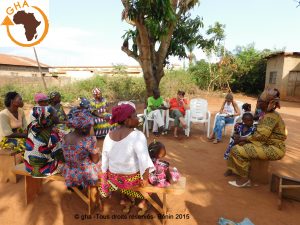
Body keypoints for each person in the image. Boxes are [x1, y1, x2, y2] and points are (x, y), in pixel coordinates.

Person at [100, 103, 155, 215]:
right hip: (130, 180)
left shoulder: (108, 135)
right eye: (135, 116)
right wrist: (145, 179)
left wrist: (104, 177)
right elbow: (144, 161)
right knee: (155, 177)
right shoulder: (138, 136)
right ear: (126, 120)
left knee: (123, 176)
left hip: (114, 179)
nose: (138, 119)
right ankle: (143, 203)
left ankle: (126, 200)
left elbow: (104, 160)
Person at [226, 88, 287, 188]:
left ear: (268, 103)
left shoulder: (270, 117)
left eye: (260, 101)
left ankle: (244, 179)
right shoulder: (267, 113)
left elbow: (261, 136)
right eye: (258, 101)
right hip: (268, 144)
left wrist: (243, 138)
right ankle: (237, 171)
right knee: (240, 146)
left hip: (274, 149)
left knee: (236, 150)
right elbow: (258, 123)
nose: (258, 103)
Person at [62, 109, 101, 208]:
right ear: (83, 128)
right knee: (100, 163)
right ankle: (94, 196)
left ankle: (75, 187)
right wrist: (97, 152)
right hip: (83, 174)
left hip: (68, 171)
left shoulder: (66, 137)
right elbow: (95, 160)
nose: (90, 128)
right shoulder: (88, 140)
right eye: (89, 126)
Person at [24, 106, 64, 177]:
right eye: (55, 114)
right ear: (49, 117)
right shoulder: (52, 133)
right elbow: (59, 155)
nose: (57, 116)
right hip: (41, 171)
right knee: (64, 160)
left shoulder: (32, 126)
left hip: (29, 167)